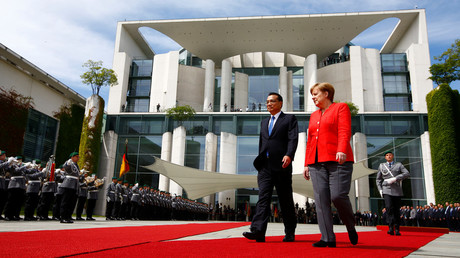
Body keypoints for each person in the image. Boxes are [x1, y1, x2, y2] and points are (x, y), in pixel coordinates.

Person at [303, 82, 358, 247]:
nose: (313, 97)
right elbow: (310, 140)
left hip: (339, 160)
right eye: (312, 94)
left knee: (338, 196)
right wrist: (307, 164)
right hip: (316, 163)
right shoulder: (313, 116)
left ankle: (350, 225)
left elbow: (344, 130)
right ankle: (327, 238)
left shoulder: (340, 108)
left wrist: (341, 149)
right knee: (321, 200)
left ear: (326, 94)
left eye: (316, 93)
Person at [243, 92, 298, 242]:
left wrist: (289, 155)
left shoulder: (289, 119)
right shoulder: (264, 122)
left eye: (272, 101)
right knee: (263, 198)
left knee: (285, 199)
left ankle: (290, 232)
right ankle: (258, 231)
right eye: (267, 102)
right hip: (265, 167)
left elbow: (293, 139)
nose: (269, 104)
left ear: (280, 103)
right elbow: (263, 144)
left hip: (282, 165)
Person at [376, 150, 409, 235]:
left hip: (396, 190)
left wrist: (396, 178)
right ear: (385, 157)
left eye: (390, 155)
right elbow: (378, 179)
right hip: (386, 189)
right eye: (387, 155)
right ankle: (390, 227)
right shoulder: (382, 166)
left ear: (393, 156)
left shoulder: (399, 165)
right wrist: (380, 189)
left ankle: (397, 228)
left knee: (396, 210)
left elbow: (407, 173)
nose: (389, 156)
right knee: (389, 208)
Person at [60, 152, 83, 223]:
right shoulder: (70, 163)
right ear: (72, 157)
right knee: (65, 201)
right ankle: (63, 217)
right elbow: (66, 167)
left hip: (74, 184)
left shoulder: (76, 165)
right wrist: (68, 163)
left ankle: (68, 216)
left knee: (71, 202)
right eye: (76, 156)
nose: (78, 158)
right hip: (68, 183)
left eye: (78, 157)